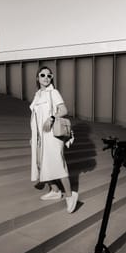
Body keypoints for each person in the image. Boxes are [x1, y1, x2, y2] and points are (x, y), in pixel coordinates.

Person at [30, 66, 79, 213]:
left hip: (52, 135)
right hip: (39, 137)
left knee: (58, 164)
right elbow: (35, 117)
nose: (46, 78)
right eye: (42, 75)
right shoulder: (37, 94)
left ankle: (70, 195)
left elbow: (64, 110)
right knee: (42, 164)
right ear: (37, 78)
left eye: (49, 76)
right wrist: (33, 137)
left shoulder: (54, 92)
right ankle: (55, 190)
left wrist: (51, 118)